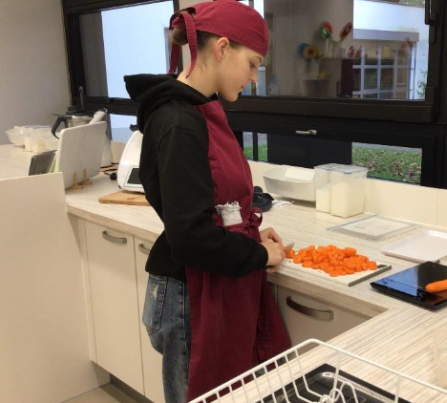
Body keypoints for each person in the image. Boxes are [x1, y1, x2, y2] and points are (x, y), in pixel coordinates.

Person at [124, 2, 291, 402]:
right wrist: (259, 255)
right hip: (187, 297)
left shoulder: (196, 110)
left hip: (195, 287)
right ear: (222, 49)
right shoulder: (181, 122)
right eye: (252, 64)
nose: (253, 78)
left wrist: (248, 235)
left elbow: (209, 208)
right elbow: (192, 237)